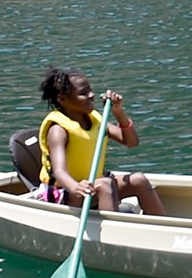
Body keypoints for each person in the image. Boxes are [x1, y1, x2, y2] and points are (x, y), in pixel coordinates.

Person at [36, 67, 165, 215]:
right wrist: (75, 187)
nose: (91, 95)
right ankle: (113, 234)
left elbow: (131, 142)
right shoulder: (58, 130)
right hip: (65, 192)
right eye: (83, 93)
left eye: (90, 90)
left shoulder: (95, 119)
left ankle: (164, 228)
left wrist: (118, 112)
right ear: (63, 99)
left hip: (92, 187)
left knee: (138, 180)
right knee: (105, 184)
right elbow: (59, 172)